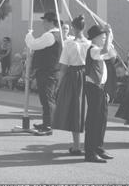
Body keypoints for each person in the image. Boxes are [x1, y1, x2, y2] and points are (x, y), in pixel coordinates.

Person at [52, 15, 91, 155]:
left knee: (75, 109)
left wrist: (58, 85)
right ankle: (89, 144)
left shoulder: (68, 44)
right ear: (84, 27)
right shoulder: (90, 44)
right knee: (86, 109)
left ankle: (76, 145)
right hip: (87, 77)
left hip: (73, 76)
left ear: (73, 28)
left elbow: (63, 67)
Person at [25, 11, 63, 135]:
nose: (43, 23)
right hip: (50, 71)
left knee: (47, 99)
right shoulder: (57, 35)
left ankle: (49, 126)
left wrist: (29, 34)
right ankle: (47, 122)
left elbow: (33, 44)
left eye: (45, 21)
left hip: (48, 72)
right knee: (46, 99)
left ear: (51, 22)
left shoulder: (50, 35)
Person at [84, 24, 116, 163]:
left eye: (105, 37)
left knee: (102, 119)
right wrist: (109, 34)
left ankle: (98, 147)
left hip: (100, 87)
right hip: (93, 87)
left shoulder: (99, 50)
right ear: (95, 38)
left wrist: (110, 33)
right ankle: (90, 152)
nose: (104, 39)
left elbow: (111, 53)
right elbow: (105, 49)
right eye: (102, 37)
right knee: (93, 120)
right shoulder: (92, 49)